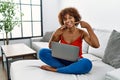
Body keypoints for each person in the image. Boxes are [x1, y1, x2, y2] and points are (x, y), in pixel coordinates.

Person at [39, 7, 100, 74]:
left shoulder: (82, 33)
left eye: (70, 17)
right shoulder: (61, 32)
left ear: (75, 19)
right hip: (61, 59)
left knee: (87, 63)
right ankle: (69, 68)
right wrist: (55, 33)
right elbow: (51, 47)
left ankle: (56, 69)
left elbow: (96, 45)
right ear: (63, 21)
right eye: (65, 19)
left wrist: (88, 27)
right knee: (42, 52)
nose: (68, 21)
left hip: (76, 61)